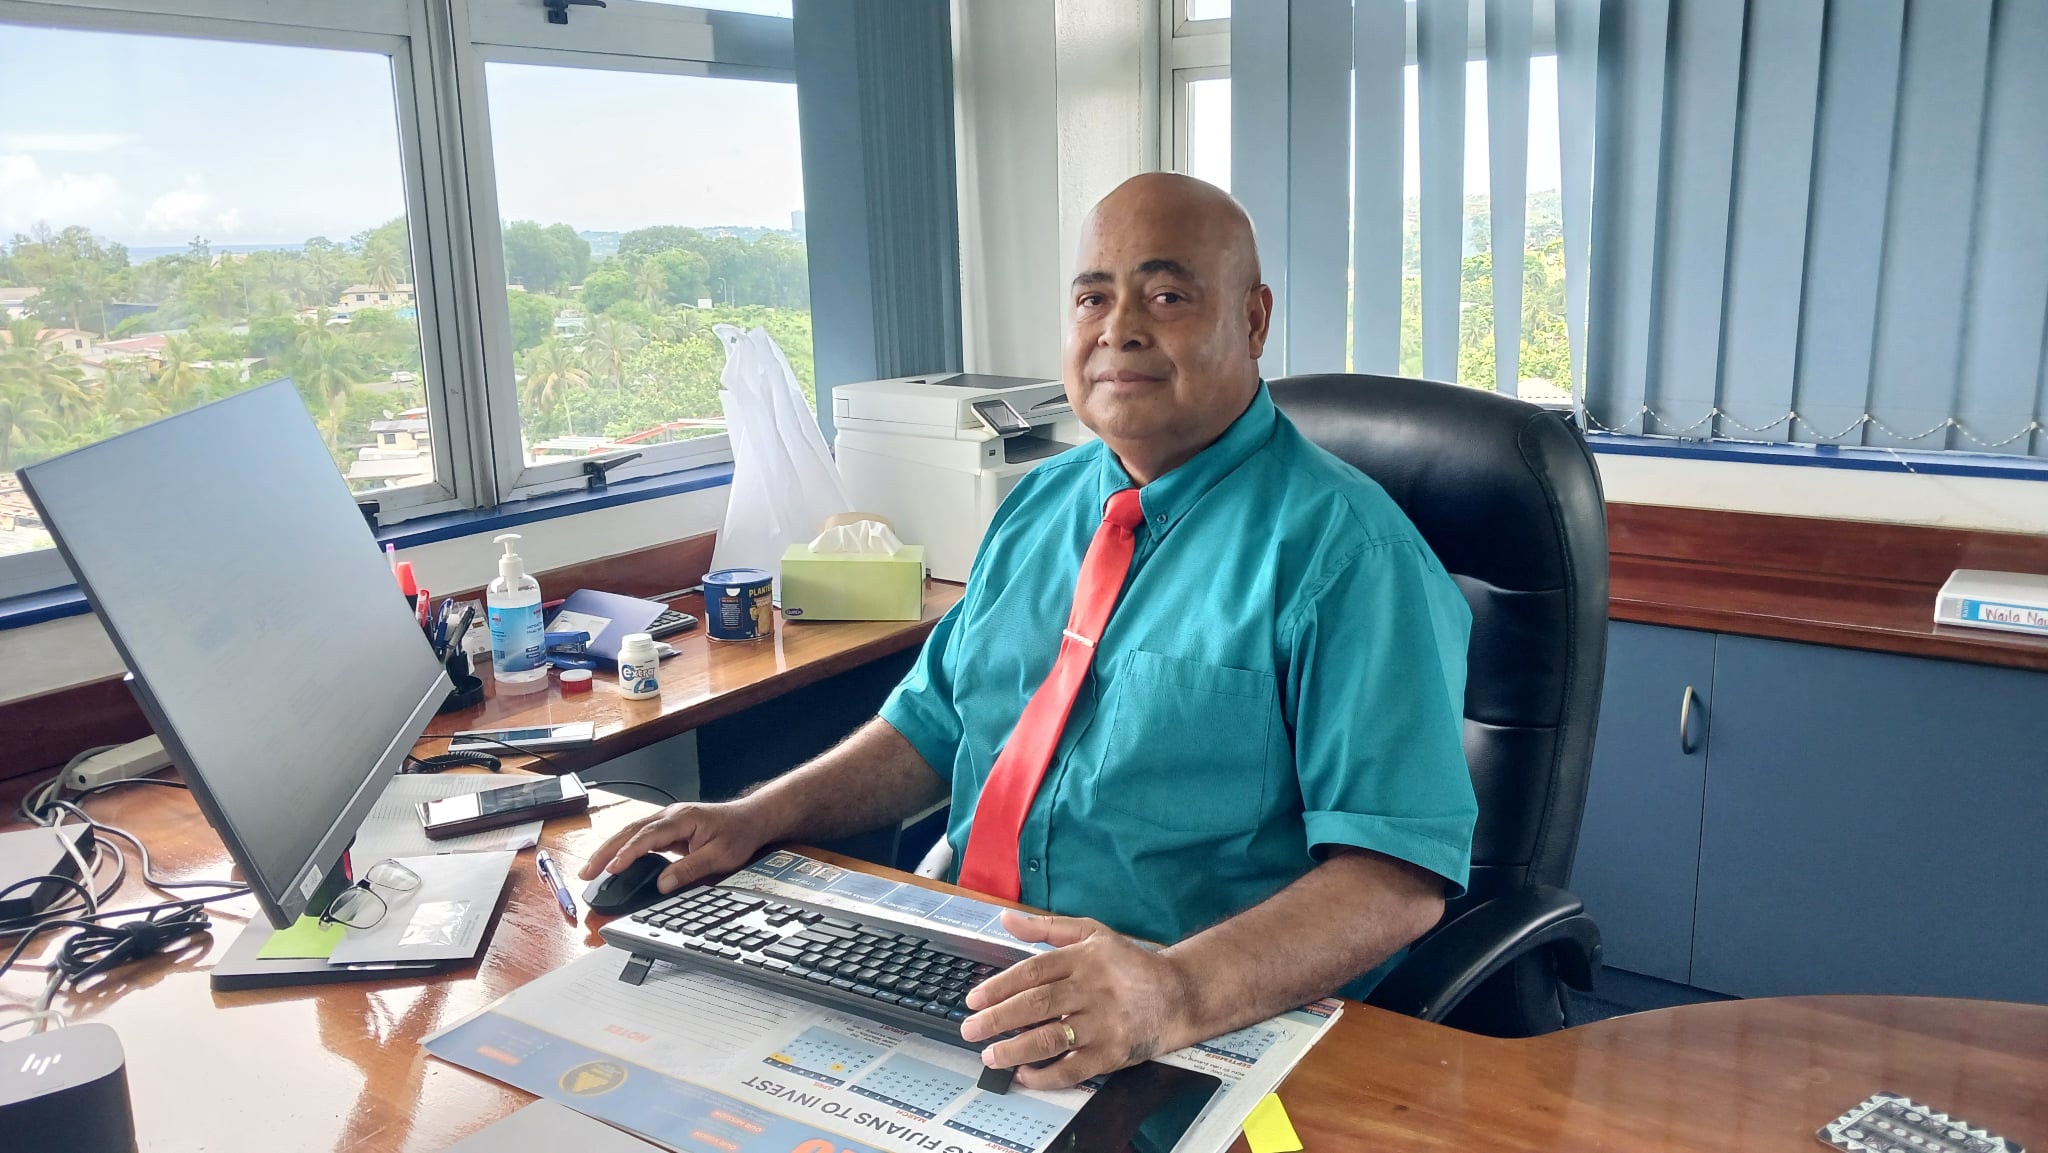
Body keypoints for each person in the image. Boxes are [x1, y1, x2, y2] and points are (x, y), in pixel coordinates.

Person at [581, 172, 1476, 1090]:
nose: (1119, 329)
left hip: (1192, 1027)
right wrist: (755, 815)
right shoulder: (1039, 505)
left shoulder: (1351, 557)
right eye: (1093, 297)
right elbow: (931, 726)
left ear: (1253, 321)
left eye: (1167, 296)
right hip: (968, 976)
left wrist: (1172, 992)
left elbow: (1394, 877)